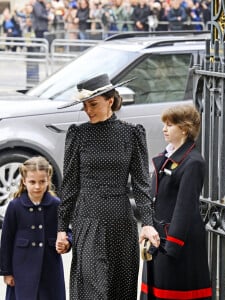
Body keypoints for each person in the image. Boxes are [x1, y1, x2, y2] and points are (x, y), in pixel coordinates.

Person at [56, 73, 160, 299]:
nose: (88, 110)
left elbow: (141, 184)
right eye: (84, 105)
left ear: (110, 101)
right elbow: (70, 185)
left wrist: (148, 224)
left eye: (93, 104)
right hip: (88, 218)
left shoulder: (132, 133)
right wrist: (62, 229)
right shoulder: (78, 134)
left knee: (120, 288)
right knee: (92, 289)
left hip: (121, 221)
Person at [140, 104, 212, 300]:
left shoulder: (193, 161)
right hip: (159, 238)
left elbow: (185, 206)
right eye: (164, 124)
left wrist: (172, 245)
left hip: (178, 244)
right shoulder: (166, 157)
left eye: (170, 124)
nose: (164, 128)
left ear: (184, 128)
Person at [0, 156, 71, 300]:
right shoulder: (15, 206)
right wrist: (6, 272)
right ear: (24, 181)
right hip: (21, 269)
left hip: (50, 269)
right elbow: (6, 240)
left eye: (42, 182)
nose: (37, 186)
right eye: (32, 182)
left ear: (48, 180)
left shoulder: (56, 205)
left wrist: (67, 242)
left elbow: (67, 231)